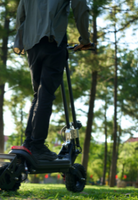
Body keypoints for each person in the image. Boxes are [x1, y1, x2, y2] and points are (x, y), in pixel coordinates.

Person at [14, 0, 91, 161]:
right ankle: (37, 145)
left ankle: (29, 143)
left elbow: (21, 14)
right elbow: (81, 9)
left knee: (38, 94)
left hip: (32, 45)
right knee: (46, 94)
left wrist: (20, 40)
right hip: (53, 40)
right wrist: (85, 39)